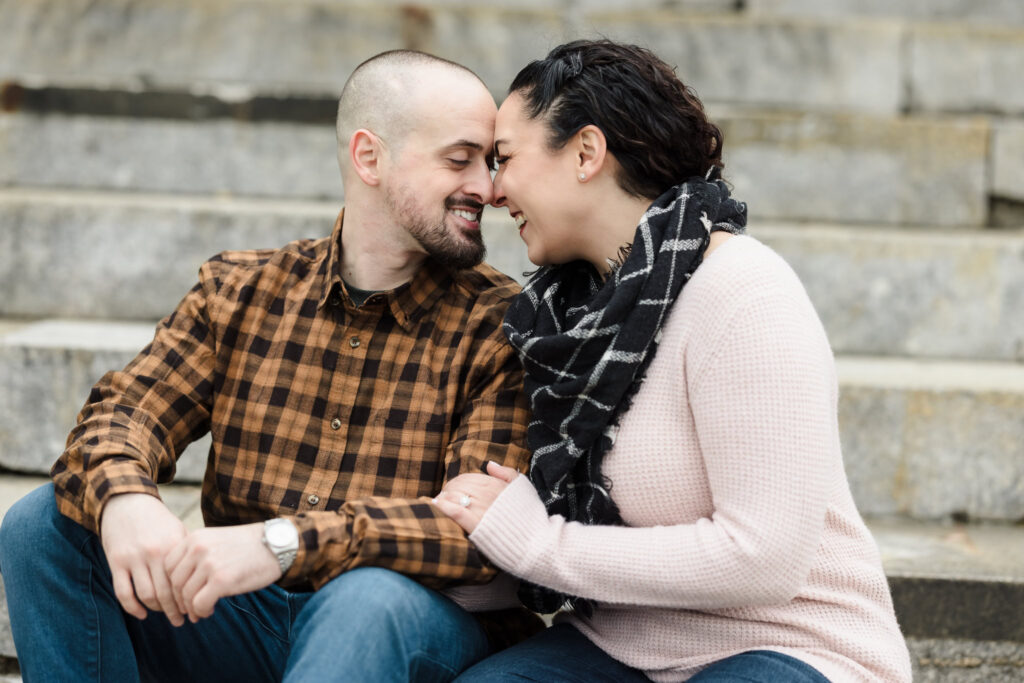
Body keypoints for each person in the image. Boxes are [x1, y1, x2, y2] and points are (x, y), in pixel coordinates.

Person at [0, 50, 539, 683]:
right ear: (370, 157)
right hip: (238, 616)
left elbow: (480, 531)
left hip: (405, 624)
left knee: (364, 600)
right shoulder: (241, 290)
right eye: (460, 159)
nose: (488, 187)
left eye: (491, 162)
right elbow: (124, 412)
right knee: (45, 526)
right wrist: (125, 499)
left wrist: (284, 544)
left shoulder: (506, 323)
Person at [433, 40, 914, 682]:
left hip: (791, 644)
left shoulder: (741, 292)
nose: (492, 191)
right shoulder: (562, 322)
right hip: (623, 640)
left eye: (506, 158)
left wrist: (541, 546)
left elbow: (764, 558)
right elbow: (518, 539)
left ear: (585, 153)